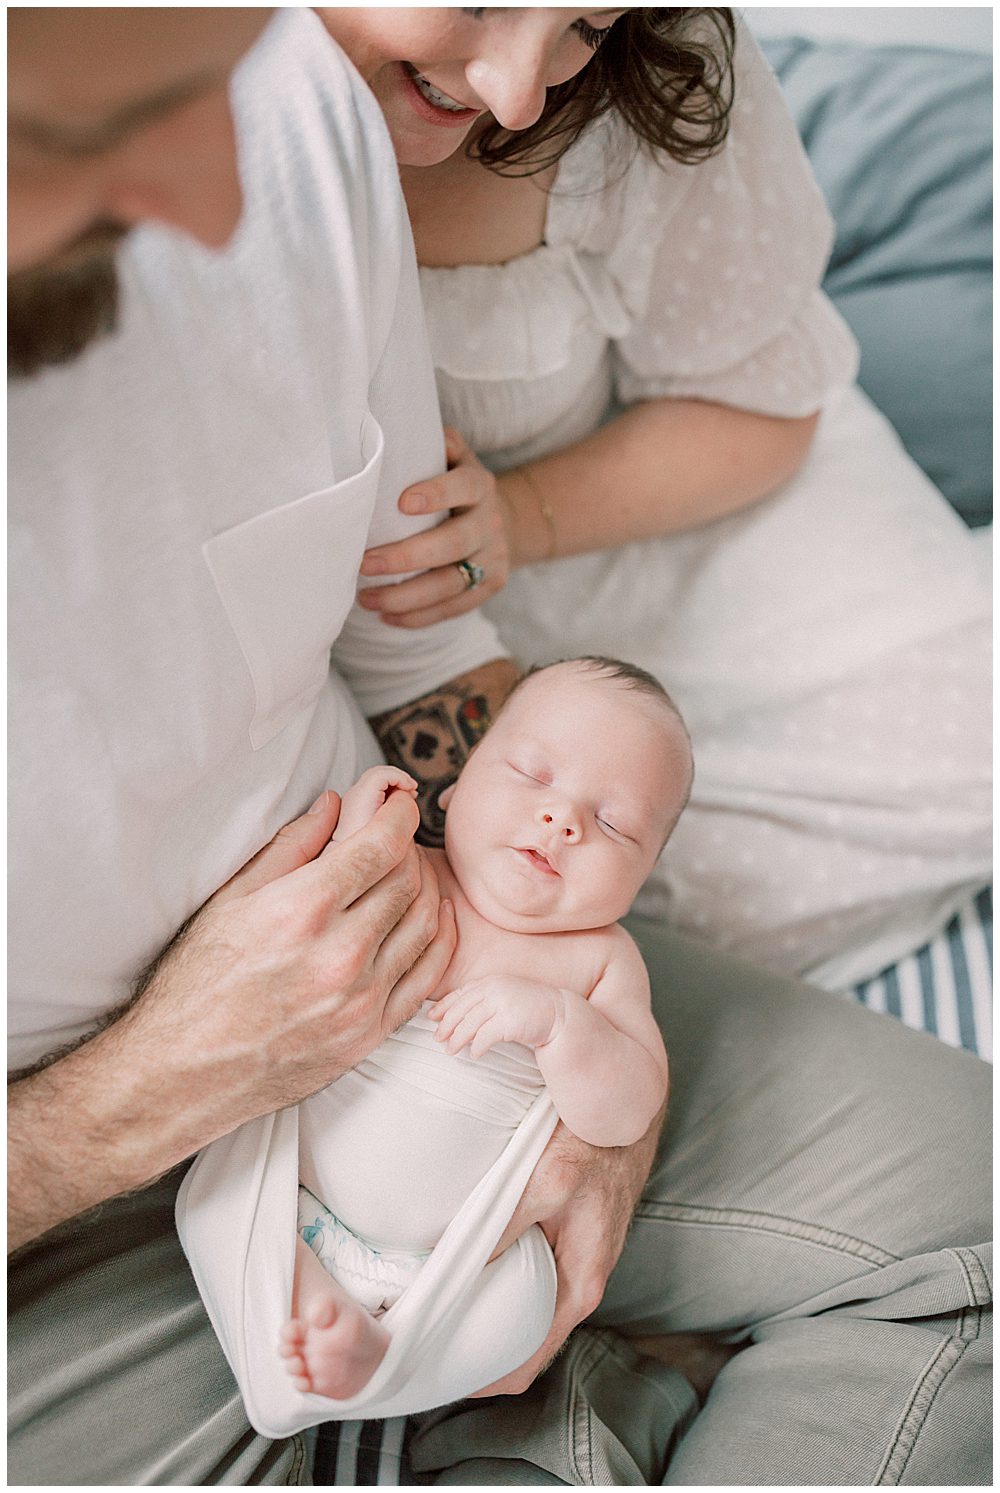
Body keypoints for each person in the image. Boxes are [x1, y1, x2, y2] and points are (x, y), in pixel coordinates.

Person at [8, 8, 991, 1488]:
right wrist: (129, 1101)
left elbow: (415, 630)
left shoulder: (290, 120)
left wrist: (577, 1013)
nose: (223, 207)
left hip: (441, 970)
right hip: (60, 1211)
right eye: (77, 139)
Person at [318, 5, 991, 991]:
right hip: (410, 624)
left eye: (584, 27)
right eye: (479, 2)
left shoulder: (664, 60)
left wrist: (521, 515)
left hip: (644, 491)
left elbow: (756, 406)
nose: (516, 89)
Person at [183, 658, 686, 1419]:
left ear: (642, 876)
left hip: (459, 1264)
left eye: (614, 823)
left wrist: (557, 1021)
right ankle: (334, 1353)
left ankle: (374, 1365)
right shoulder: (414, 875)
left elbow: (625, 1110)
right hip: (296, 1203)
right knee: (210, 1194)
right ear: (455, 785)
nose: (564, 820)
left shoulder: (598, 961)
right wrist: (361, 828)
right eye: (531, 773)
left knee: (522, 1305)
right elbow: (321, 916)